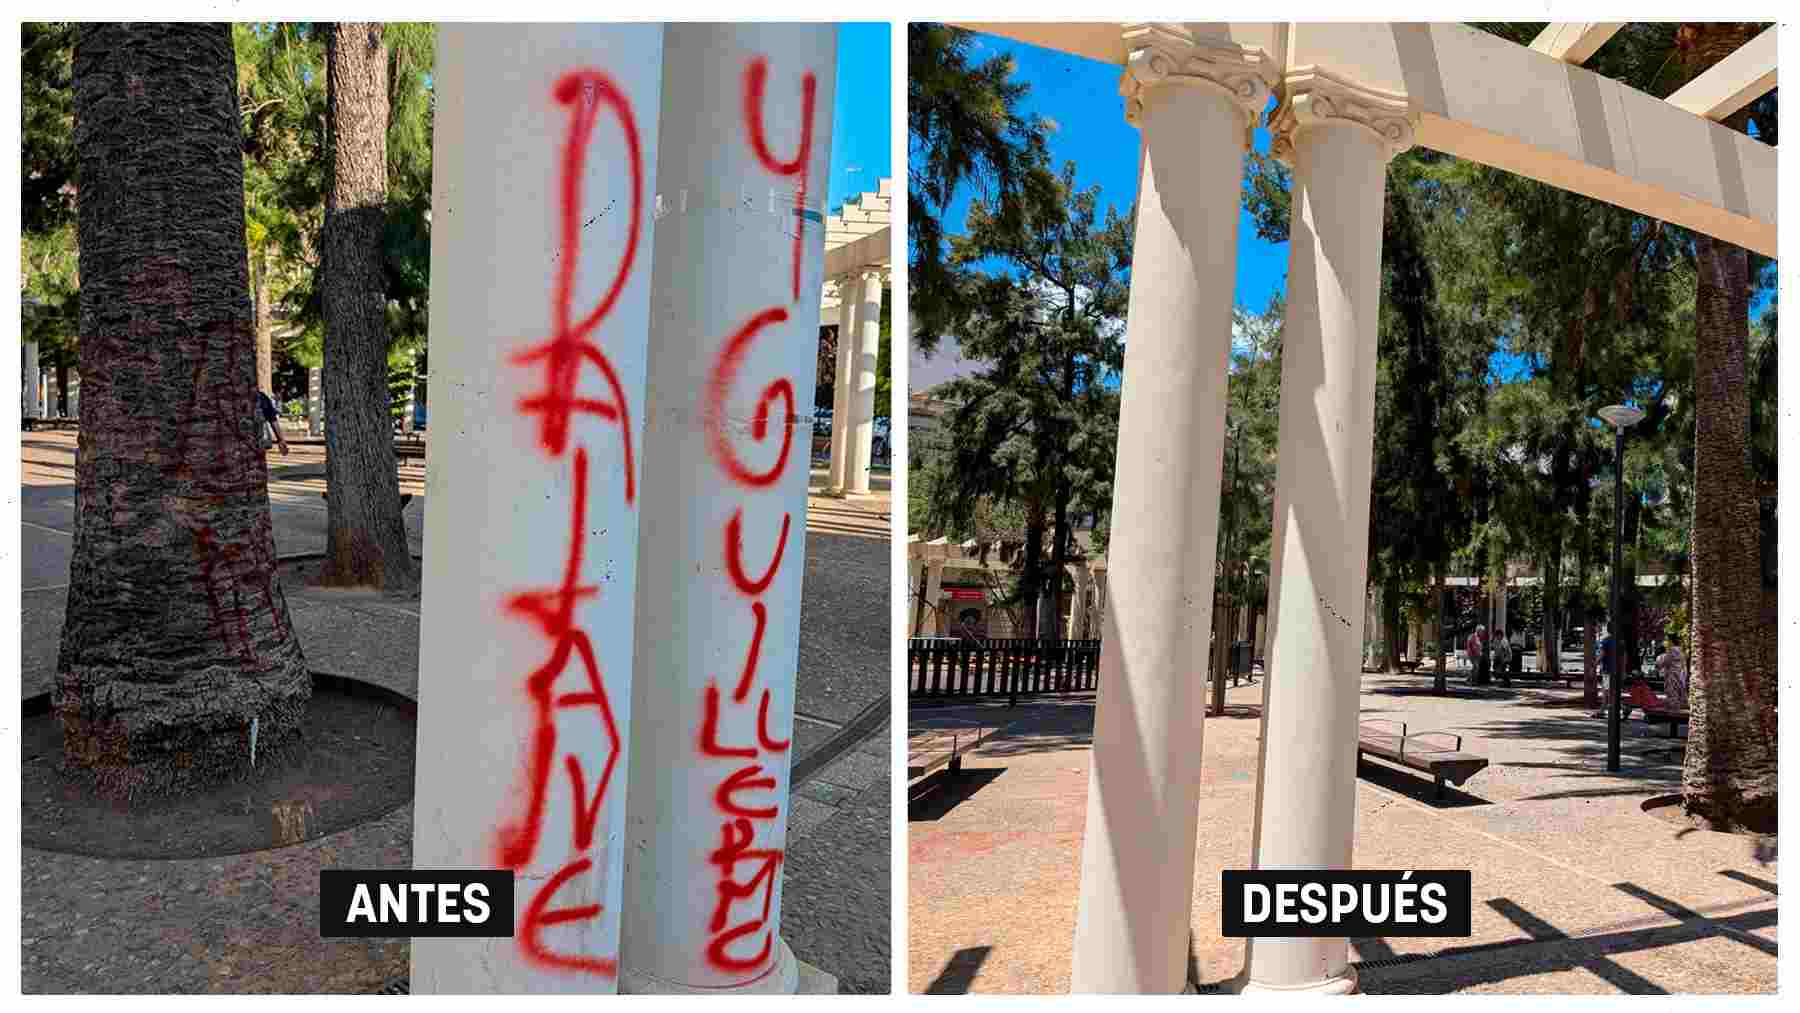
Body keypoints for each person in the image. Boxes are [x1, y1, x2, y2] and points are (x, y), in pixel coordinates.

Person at [1658, 632, 1689, 710]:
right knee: (1681, 689)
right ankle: (1682, 705)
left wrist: (1660, 662)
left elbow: (1665, 661)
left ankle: (1674, 708)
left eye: (1667, 640)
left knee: (1672, 691)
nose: (1666, 642)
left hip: (1672, 674)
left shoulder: (1672, 650)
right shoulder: (1682, 649)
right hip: (1681, 672)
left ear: (1671, 641)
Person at [256, 389, 290, 457]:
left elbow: (272, 418)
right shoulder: (260, 396)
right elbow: (272, 419)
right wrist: (281, 440)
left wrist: (281, 440)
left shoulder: (261, 397)